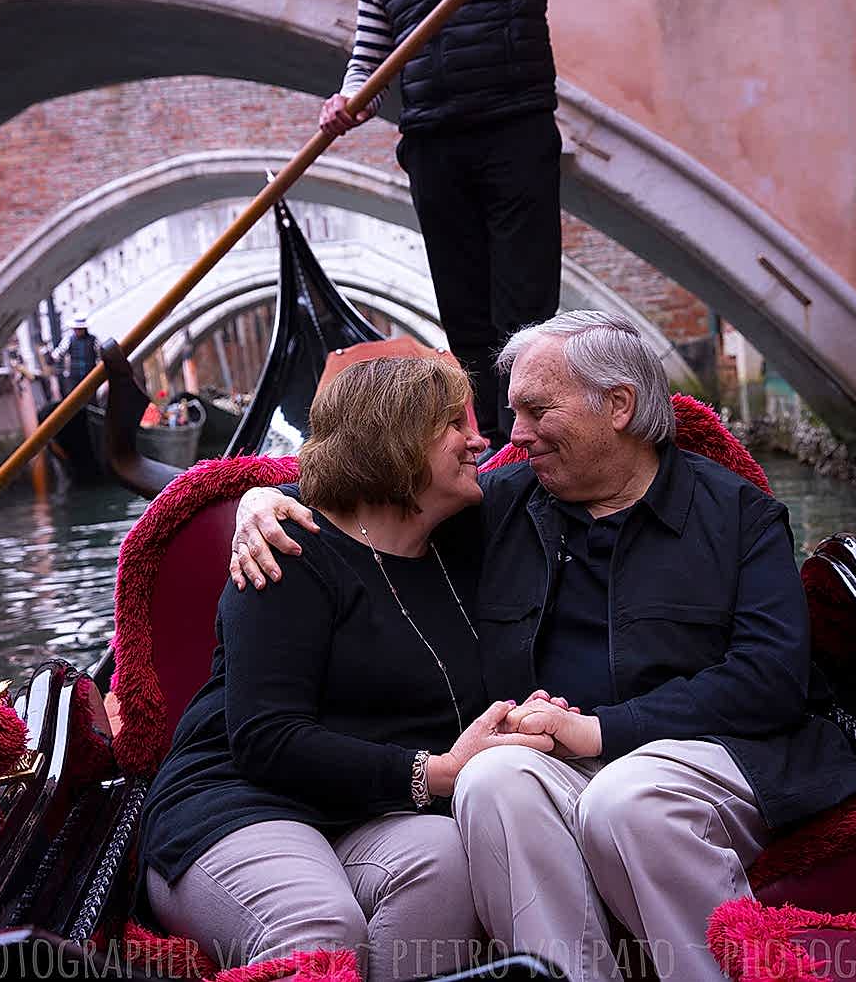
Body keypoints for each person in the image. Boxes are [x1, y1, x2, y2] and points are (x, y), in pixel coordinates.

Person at [230, 312, 856, 982]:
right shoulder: (500, 505)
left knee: (629, 795)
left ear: (618, 405)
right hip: (565, 766)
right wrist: (266, 500)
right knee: (489, 777)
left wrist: (598, 730)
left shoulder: (737, 516)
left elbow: (772, 678)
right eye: (512, 412)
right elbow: (376, 499)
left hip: (717, 759)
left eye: (536, 410)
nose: (514, 436)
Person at [138, 357, 556, 982]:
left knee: (447, 862)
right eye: (452, 424)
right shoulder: (288, 550)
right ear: (395, 442)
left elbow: (595, 471)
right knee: (319, 922)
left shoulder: (469, 532)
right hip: (241, 801)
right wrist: (438, 772)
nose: (480, 440)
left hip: (372, 810)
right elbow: (265, 739)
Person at [320, 0, 618, 449]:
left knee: (524, 307)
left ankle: (528, 440)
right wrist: (348, 101)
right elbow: (370, 62)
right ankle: (492, 450)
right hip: (433, 148)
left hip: (514, 131)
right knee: (464, 317)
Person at [50, 314, 99, 396]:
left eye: (80, 329)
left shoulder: (93, 340)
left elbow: (100, 355)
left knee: (91, 397)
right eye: (76, 329)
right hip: (74, 377)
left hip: (90, 375)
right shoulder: (69, 340)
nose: (77, 331)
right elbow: (58, 353)